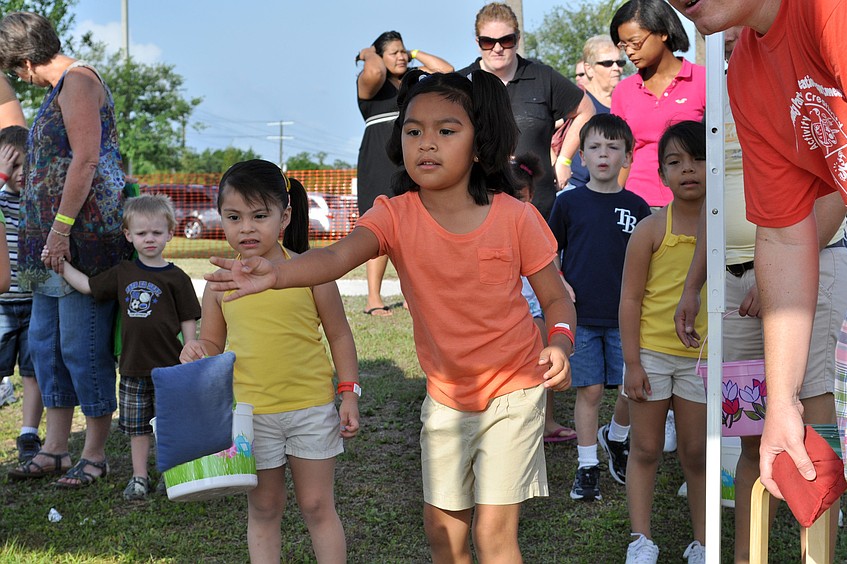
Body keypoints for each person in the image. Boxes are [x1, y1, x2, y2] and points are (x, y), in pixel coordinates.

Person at [204, 71, 575, 563]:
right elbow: (336, 257)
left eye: (446, 131)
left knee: (494, 535)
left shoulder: (515, 217)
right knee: (443, 535)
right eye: (414, 130)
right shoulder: (395, 214)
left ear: (480, 142)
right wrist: (278, 276)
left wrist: (561, 341)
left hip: (514, 391)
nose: (426, 143)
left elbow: (556, 298)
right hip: (446, 398)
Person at [672, 27, 847, 563]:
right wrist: (692, 285)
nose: (728, 41)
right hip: (730, 278)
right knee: (750, 426)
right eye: (721, 41)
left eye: (740, 34)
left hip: (808, 264)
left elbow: (837, 191)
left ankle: (814, 553)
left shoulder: (806, 76)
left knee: (808, 419)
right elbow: (714, 203)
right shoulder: (719, 96)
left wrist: (776, 273)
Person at [180, 161, 360, 563]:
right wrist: (197, 350)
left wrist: (349, 392)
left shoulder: (312, 273)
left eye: (259, 216)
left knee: (317, 506)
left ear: (285, 216)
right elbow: (211, 341)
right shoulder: (219, 284)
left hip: (311, 410)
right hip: (250, 416)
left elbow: (340, 335)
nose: (246, 228)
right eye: (234, 217)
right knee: (263, 509)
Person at [0, 12, 131, 486]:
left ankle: (94, 453)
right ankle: (55, 449)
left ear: (28, 60)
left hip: (79, 239)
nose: (18, 79)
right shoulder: (58, 90)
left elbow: (87, 158)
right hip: (43, 242)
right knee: (46, 345)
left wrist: (60, 230)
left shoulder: (78, 81)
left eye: (15, 70)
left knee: (82, 345)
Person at [50, 194, 201, 500]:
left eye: (157, 233)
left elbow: (189, 318)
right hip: (131, 368)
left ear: (170, 234)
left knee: (168, 427)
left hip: (170, 369)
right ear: (128, 235)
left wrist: (192, 349)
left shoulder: (177, 277)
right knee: (137, 428)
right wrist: (62, 267)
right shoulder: (123, 272)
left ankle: (171, 475)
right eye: (142, 233)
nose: (149, 239)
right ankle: (139, 477)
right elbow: (89, 287)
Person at [549, 114, 651, 501]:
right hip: (584, 317)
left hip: (627, 317)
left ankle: (618, 436)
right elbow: (548, 254)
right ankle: (587, 465)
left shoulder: (638, 207)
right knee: (589, 391)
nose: (603, 154)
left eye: (612, 147)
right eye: (594, 147)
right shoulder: (568, 203)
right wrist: (560, 284)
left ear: (627, 156)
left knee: (631, 387)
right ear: (582, 157)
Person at [619, 121, 707, 563]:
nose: (688, 170)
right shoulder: (650, 229)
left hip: (703, 359)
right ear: (661, 174)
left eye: (698, 159)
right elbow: (630, 299)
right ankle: (641, 539)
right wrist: (632, 363)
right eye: (675, 162)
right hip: (651, 357)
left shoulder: (727, 229)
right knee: (647, 448)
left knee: (696, 452)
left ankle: (703, 543)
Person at [457, 2, 596, 218]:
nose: (497, 48)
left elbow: (586, 110)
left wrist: (564, 160)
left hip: (537, 206)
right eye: (488, 41)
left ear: (517, 39)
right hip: (476, 205)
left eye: (506, 40)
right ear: (477, 42)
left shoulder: (543, 77)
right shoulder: (460, 83)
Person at [356, 31, 453, 317]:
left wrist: (412, 54)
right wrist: (367, 53)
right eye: (393, 52)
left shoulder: (413, 79)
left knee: (415, 227)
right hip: (378, 160)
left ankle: (413, 294)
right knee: (379, 227)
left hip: (412, 158)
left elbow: (446, 72)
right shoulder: (370, 85)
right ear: (379, 56)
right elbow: (373, 69)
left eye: (402, 51)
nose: (400, 56)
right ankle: (374, 298)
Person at [610, 0, 706, 208]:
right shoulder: (623, 91)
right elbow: (620, 154)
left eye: (635, 42)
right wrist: (613, 202)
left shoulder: (704, 81)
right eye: (623, 45)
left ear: (662, 32)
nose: (629, 52)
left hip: (694, 203)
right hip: (638, 204)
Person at [512, 153, 576, 444]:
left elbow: (549, 266)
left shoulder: (534, 224)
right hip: (508, 312)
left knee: (544, 354)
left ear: (532, 194)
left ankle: (546, 420)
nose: (514, 203)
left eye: (520, 196)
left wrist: (562, 283)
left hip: (535, 307)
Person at [0, 125, 43, 463]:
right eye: (11, 166)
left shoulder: (37, 204)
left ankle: (29, 433)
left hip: (33, 302)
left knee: (32, 371)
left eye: (24, 166)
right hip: (2, 304)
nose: (19, 174)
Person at [565, 36, 626, 190]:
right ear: (589, 69)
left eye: (620, 63)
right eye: (607, 63)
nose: (615, 68)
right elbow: (545, 132)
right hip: (575, 186)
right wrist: (559, 166)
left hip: (613, 189)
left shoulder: (626, 100)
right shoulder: (577, 100)